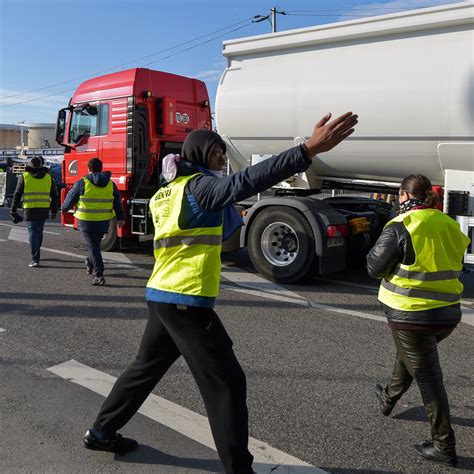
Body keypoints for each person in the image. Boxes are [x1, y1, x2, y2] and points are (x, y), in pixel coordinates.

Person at [81, 111, 358, 473]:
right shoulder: (200, 187)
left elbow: (210, 224)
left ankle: (101, 431)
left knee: (144, 370)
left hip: (162, 295)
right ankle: (238, 469)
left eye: (222, 153)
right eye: (216, 154)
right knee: (226, 384)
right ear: (198, 155)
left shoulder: (166, 193)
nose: (222, 159)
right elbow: (245, 182)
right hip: (186, 301)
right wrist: (305, 151)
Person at [367, 174, 470, 468]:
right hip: (448, 313)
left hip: (410, 313)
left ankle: (444, 445)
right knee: (412, 355)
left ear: (403, 196)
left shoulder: (401, 226)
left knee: (429, 379)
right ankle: (388, 398)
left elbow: (374, 268)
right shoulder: (450, 224)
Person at [61, 158, 125, 286]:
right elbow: (117, 202)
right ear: (101, 168)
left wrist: (63, 209)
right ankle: (90, 262)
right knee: (94, 245)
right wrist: (120, 218)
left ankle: (99, 275)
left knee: (93, 246)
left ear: (89, 169)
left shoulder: (82, 182)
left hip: (86, 221)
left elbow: (70, 198)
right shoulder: (111, 184)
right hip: (103, 221)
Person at [11, 157, 58, 267]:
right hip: (43, 208)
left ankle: (35, 258)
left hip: (30, 208)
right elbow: (54, 195)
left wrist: (13, 210)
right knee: (39, 230)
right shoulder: (48, 177)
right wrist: (54, 210)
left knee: (32, 231)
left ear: (30, 165)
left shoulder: (24, 176)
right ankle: (37, 253)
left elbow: (17, 194)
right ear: (41, 165)